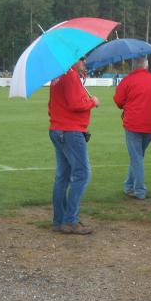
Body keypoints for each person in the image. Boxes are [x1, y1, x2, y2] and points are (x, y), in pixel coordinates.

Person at [49, 57, 99, 235]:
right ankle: (70, 220)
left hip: (58, 129)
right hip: (70, 131)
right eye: (82, 58)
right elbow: (76, 103)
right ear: (74, 60)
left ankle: (59, 220)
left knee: (62, 176)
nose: (85, 61)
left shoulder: (58, 76)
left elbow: (52, 106)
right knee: (82, 174)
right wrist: (93, 102)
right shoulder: (70, 76)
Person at [114, 56, 151, 199]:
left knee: (136, 157)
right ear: (146, 66)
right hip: (150, 125)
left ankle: (139, 190)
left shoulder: (128, 80)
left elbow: (118, 101)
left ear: (134, 66)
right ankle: (128, 185)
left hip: (133, 124)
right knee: (137, 157)